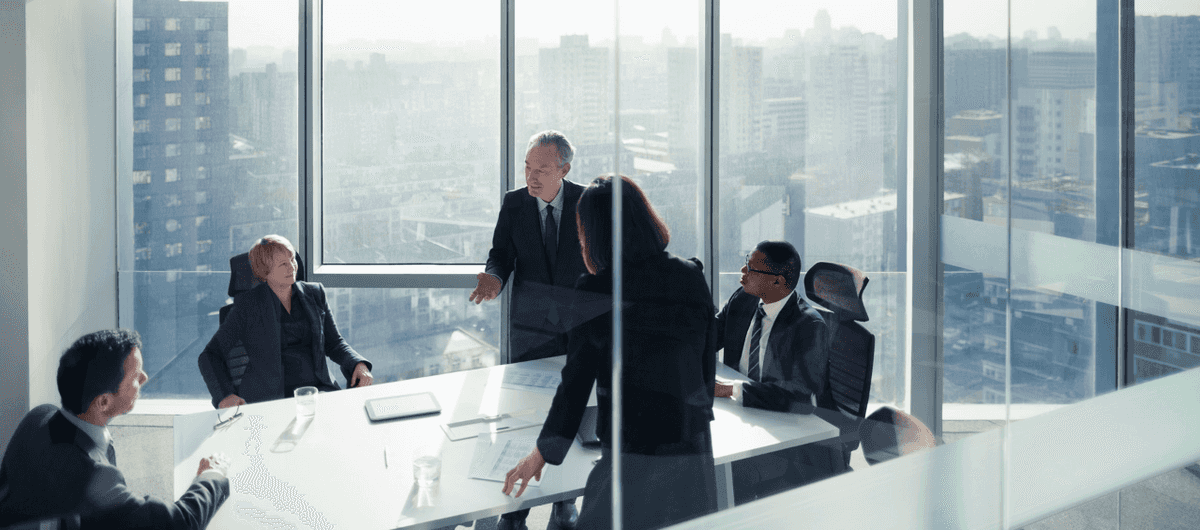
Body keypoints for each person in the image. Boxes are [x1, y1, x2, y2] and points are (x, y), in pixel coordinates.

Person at [502, 176, 718, 530]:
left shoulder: (596, 289)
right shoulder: (690, 274)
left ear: (593, 233)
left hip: (632, 449)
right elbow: (705, 358)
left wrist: (542, 453)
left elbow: (575, 383)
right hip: (691, 441)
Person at [470, 130, 587, 530]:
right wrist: (494, 278)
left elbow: (604, 262)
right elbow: (500, 254)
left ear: (565, 169)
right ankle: (514, 509)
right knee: (521, 418)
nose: (531, 177)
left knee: (570, 413)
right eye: (527, 167)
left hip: (578, 332)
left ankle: (564, 502)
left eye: (542, 169)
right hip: (530, 331)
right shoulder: (514, 203)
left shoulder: (588, 203)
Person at [0, 329, 230, 529]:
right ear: (103, 402)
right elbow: (178, 523)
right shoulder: (93, 476)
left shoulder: (40, 416)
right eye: (134, 376)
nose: (145, 378)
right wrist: (212, 475)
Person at [713, 240, 834, 504]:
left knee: (718, 476)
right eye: (747, 261)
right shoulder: (743, 299)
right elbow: (709, 337)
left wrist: (730, 389)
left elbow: (799, 395)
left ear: (778, 281)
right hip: (744, 415)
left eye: (752, 268)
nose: (742, 271)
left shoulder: (808, 325)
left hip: (783, 431)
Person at [198, 235, 373, 409]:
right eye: (283, 264)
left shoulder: (315, 293)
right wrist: (225, 396)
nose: (292, 267)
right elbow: (210, 355)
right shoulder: (248, 306)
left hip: (317, 391)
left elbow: (334, 343)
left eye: (292, 259)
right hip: (270, 398)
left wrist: (359, 364)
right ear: (265, 272)